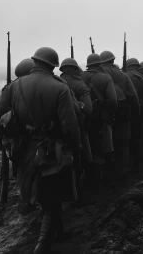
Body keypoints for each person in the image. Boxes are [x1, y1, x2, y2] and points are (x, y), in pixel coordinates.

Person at [0, 47, 81, 253]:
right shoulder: (60, 87)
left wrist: (2, 143)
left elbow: (0, 115)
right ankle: (42, 244)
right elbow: (70, 125)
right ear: (53, 65)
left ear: (35, 62)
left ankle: (58, 233)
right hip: (51, 149)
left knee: (43, 193)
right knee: (53, 194)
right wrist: (75, 147)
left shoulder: (14, 86)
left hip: (22, 149)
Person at [100, 50, 139, 176]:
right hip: (122, 112)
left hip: (103, 114)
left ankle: (107, 170)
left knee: (105, 143)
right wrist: (136, 112)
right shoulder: (123, 75)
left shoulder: (99, 74)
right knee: (123, 142)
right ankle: (122, 169)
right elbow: (133, 96)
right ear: (113, 60)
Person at [81, 53, 118, 181]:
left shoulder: (80, 77)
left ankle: (88, 178)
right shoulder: (105, 78)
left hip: (84, 119)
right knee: (104, 148)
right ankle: (102, 179)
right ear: (100, 64)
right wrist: (110, 114)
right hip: (101, 118)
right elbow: (113, 100)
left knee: (88, 149)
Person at [59, 58, 92, 199]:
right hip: (77, 127)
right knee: (81, 160)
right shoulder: (79, 84)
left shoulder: (57, 82)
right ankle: (79, 194)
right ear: (74, 69)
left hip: (58, 131)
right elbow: (88, 109)